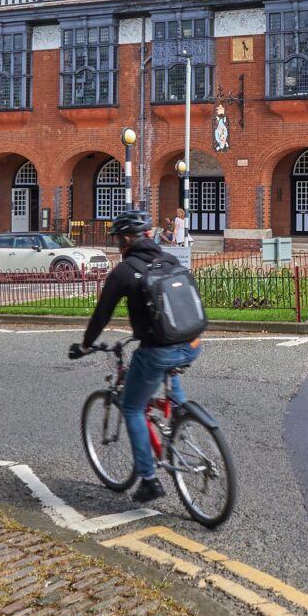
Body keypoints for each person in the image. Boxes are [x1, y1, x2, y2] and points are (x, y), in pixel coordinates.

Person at [68, 210, 199, 502]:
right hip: (190, 341)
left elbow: (101, 315)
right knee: (170, 382)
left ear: (127, 239)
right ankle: (179, 417)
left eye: (117, 238)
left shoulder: (124, 272)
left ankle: (149, 481)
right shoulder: (170, 260)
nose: (116, 243)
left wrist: (86, 345)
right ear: (149, 236)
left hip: (157, 350)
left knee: (131, 407)